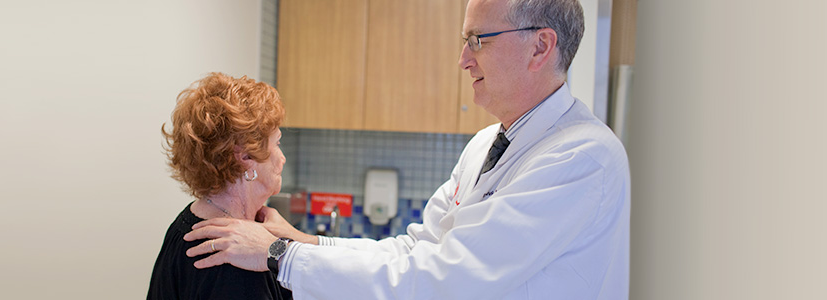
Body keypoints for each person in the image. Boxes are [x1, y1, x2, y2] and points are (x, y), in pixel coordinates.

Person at [185, 0, 630, 298]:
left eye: (479, 40)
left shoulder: (582, 158)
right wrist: (302, 241)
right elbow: (415, 251)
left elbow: (447, 278)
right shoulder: (483, 146)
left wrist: (280, 256)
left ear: (541, 45)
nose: (463, 59)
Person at [147, 72, 291, 300]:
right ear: (245, 155)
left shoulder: (187, 224)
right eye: (278, 143)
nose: (282, 158)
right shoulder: (236, 256)